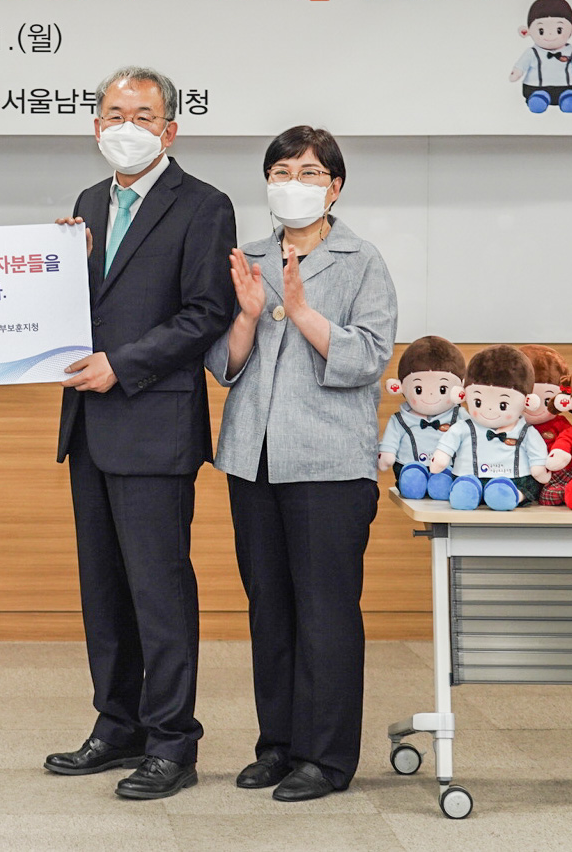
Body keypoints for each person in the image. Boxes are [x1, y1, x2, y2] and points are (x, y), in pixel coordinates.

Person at [47, 66, 236, 800]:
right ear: (96, 125)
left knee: (159, 591)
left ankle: (172, 741)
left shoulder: (204, 205)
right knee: (103, 591)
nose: (126, 127)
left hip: (153, 425)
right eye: (114, 114)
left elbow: (204, 313)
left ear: (169, 129)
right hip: (89, 426)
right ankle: (116, 723)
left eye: (143, 115)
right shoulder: (88, 201)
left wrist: (121, 366)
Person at [207, 126, 398, 801]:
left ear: (334, 186)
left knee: (325, 612)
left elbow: (368, 356)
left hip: (328, 463)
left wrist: (301, 313)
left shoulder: (360, 259)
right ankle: (279, 746)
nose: (294, 183)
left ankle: (326, 757)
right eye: (281, 171)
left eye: (310, 172)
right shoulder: (249, 257)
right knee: (271, 608)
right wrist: (248, 316)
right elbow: (223, 364)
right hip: (253, 458)